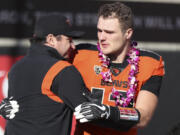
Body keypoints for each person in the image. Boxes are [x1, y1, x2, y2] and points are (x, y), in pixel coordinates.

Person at [73, 1, 165, 135]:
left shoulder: (149, 63)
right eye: (99, 31)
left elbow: (143, 117)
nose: (101, 37)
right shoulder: (80, 55)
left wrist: (107, 112)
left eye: (109, 32)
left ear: (128, 33)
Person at [4, 14, 91, 135]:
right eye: (69, 40)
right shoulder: (62, 70)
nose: (73, 46)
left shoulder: (15, 68)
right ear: (51, 39)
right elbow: (90, 113)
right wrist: (117, 113)